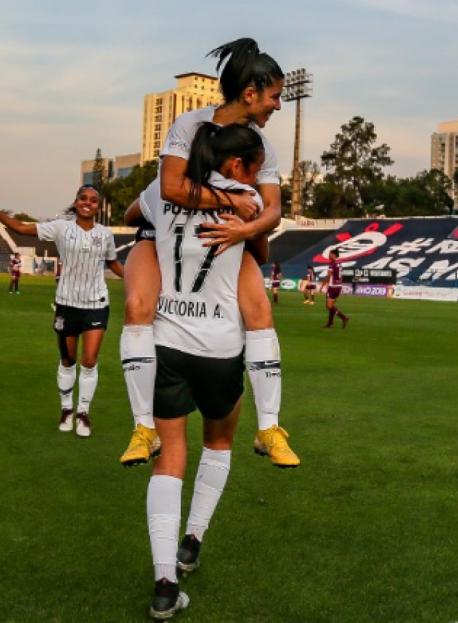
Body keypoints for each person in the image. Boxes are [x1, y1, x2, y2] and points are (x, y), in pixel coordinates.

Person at [119, 38, 299, 469]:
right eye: (274, 96)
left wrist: (245, 225)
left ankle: (269, 428)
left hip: (224, 234)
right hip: (164, 228)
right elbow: (170, 188)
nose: (277, 106)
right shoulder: (188, 124)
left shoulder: (264, 148)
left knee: (259, 308)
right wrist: (230, 202)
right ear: (250, 93)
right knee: (138, 304)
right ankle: (142, 427)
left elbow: (271, 211)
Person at [133, 122, 265, 619]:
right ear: (236, 163)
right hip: (221, 345)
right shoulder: (245, 195)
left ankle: (164, 584)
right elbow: (263, 248)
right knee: (220, 441)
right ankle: (193, 540)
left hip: (168, 341)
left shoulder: (159, 189)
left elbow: (135, 218)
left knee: (169, 457)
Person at [0, 185, 124, 438]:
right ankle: (66, 409)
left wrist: (137, 281)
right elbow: (22, 228)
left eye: (93, 200)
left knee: (89, 360)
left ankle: (82, 413)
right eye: (83, 198)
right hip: (67, 304)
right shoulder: (61, 227)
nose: (87, 203)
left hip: (96, 304)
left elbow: (113, 262)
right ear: (76, 201)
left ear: (99, 207)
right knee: (68, 359)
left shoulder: (106, 234)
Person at [320, 248, 349, 329]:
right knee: (331, 306)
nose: (328, 255)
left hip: (332, 286)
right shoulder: (339, 263)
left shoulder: (332, 263)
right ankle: (330, 323)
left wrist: (323, 285)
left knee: (329, 306)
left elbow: (329, 275)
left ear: (333, 254)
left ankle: (344, 317)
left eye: (329, 254)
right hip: (338, 286)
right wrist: (340, 286)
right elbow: (341, 275)